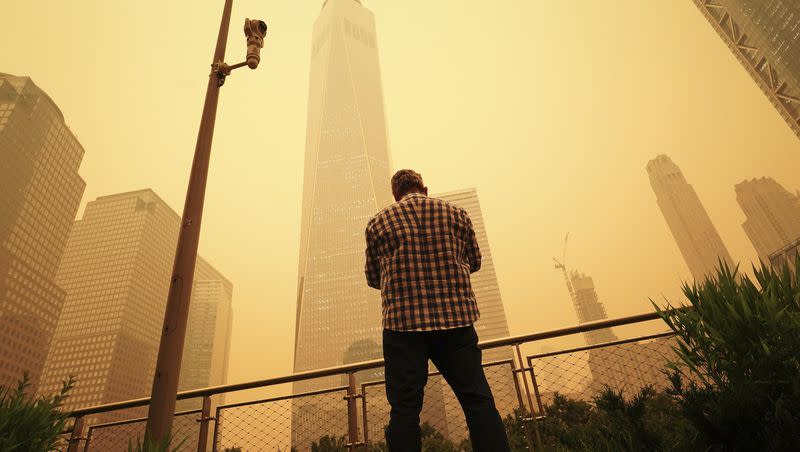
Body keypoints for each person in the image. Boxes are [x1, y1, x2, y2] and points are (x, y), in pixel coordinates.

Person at [364, 169, 511, 452]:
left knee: (405, 409)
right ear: (425, 188)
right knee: (477, 401)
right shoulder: (456, 214)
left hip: (403, 328)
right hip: (456, 323)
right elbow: (475, 261)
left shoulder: (378, 222)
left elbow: (373, 278)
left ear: (396, 195)